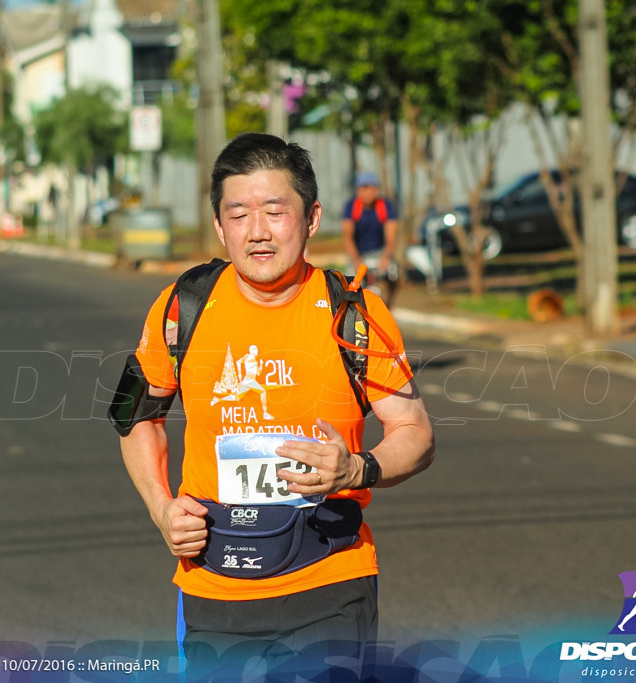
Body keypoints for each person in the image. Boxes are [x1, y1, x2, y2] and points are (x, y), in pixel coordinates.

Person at [114, 133, 435, 679]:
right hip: (212, 583)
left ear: (310, 219)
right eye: (238, 214)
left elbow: (414, 430)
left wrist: (358, 467)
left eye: (274, 211)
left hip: (329, 581)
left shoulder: (354, 312)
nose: (257, 232)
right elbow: (134, 418)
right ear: (219, 227)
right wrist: (161, 507)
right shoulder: (179, 308)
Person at [341, 171, 400, 307]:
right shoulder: (351, 207)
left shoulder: (386, 206)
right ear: (358, 190)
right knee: (349, 281)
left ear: (377, 190)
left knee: (392, 275)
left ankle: (387, 307)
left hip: (379, 251)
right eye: (364, 188)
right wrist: (355, 258)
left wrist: (386, 256)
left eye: (371, 188)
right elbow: (347, 236)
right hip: (359, 251)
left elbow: (391, 236)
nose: (368, 192)